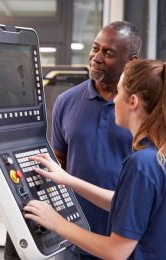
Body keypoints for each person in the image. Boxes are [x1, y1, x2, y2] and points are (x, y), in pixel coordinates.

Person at [24, 59, 166, 259]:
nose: (114, 100)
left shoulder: (141, 165)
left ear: (133, 101)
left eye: (119, 92)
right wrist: (67, 179)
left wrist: (56, 222)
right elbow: (126, 204)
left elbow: (115, 251)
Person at [48, 20, 142, 259]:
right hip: (75, 236)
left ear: (131, 61)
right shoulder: (66, 101)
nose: (97, 57)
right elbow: (60, 162)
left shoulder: (141, 109)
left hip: (126, 239)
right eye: (95, 48)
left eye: (108, 53)